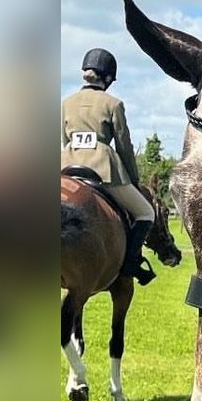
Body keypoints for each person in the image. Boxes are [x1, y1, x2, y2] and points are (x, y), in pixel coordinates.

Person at [61, 48, 156, 284]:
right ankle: (129, 264)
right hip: (103, 168)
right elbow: (124, 145)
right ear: (108, 77)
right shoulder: (113, 104)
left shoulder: (66, 103)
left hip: (66, 165)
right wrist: (133, 178)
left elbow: (64, 139)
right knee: (146, 212)